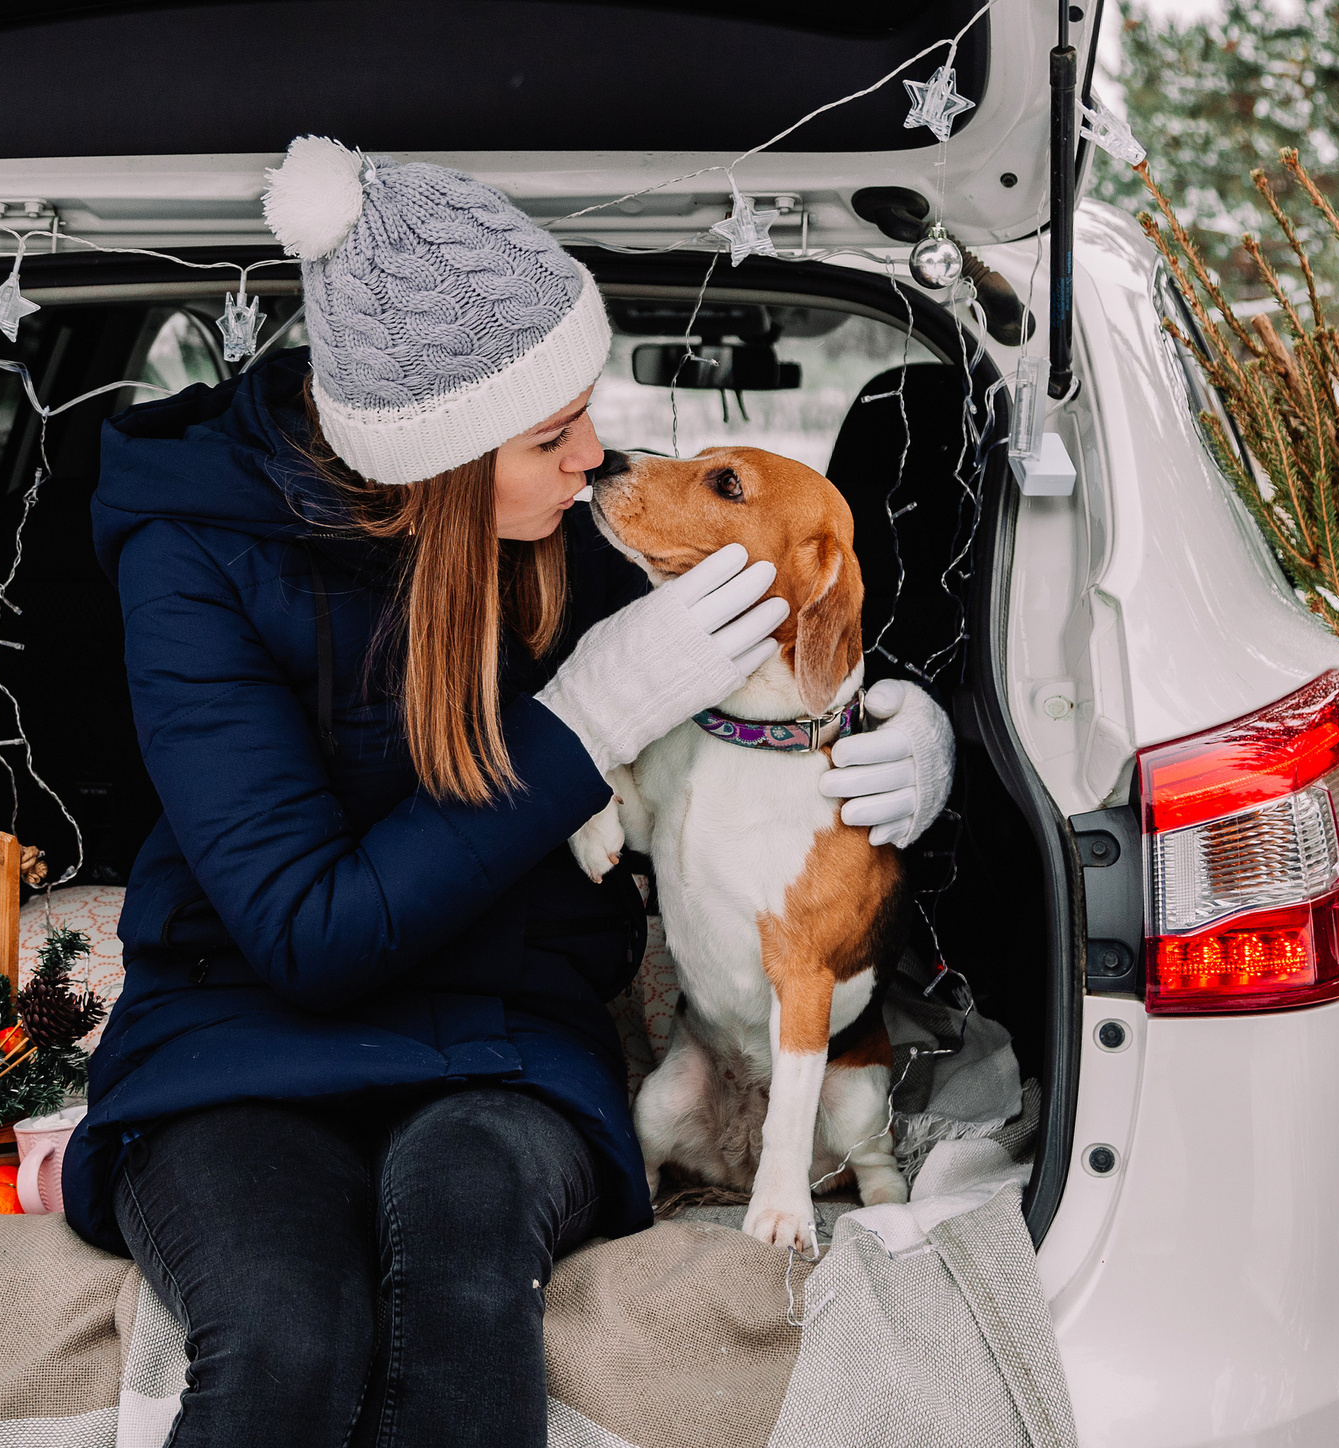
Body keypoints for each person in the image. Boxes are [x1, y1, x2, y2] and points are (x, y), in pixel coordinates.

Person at [69, 137, 954, 1448]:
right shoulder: (193, 560)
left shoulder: (562, 519)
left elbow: (782, 637)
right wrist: (586, 718)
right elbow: (308, 937)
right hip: (235, 1031)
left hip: (507, 1027)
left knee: (468, 1281)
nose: (597, 457)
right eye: (554, 435)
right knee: (291, 1331)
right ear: (433, 460)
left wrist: (895, 729)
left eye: (588, 412)